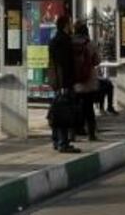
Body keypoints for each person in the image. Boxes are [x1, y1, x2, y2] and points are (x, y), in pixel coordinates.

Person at [47, 14, 80, 153]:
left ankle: (56, 140)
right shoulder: (64, 41)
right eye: (70, 23)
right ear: (66, 25)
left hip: (58, 81)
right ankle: (63, 143)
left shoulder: (55, 39)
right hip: (64, 82)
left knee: (57, 110)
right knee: (64, 112)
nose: (72, 25)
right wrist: (63, 85)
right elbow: (63, 65)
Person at [71, 20, 101, 141]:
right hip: (88, 80)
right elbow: (97, 61)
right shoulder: (91, 44)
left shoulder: (70, 43)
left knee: (75, 107)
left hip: (74, 81)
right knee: (89, 108)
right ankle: (92, 134)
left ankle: (74, 132)